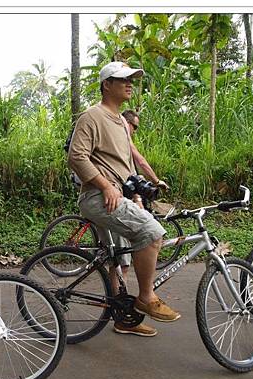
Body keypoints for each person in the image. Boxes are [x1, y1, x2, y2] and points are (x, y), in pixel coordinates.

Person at [68, 61, 181, 338]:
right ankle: (146, 297)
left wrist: (137, 193)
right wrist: (106, 186)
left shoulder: (120, 121)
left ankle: (125, 318)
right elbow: (76, 157)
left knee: (119, 259)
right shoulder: (92, 117)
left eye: (132, 79)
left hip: (116, 195)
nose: (130, 83)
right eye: (123, 79)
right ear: (107, 85)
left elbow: (126, 167)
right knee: (153, 233)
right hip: (98, 197)